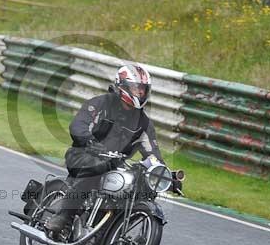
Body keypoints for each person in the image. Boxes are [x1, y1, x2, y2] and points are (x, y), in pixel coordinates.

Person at [45, 64, 181, 234]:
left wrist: (164, 174)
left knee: (142, 186)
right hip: (82, 154)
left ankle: (110, 235)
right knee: (97, 168)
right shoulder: (101, 103)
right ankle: (64, 217)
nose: (140, 93)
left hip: (116, 164)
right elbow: (78, 125)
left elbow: (153, 154)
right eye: (136, 88)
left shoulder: (143, 123)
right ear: (122, 86)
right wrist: (90, 141)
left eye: (143, 90)